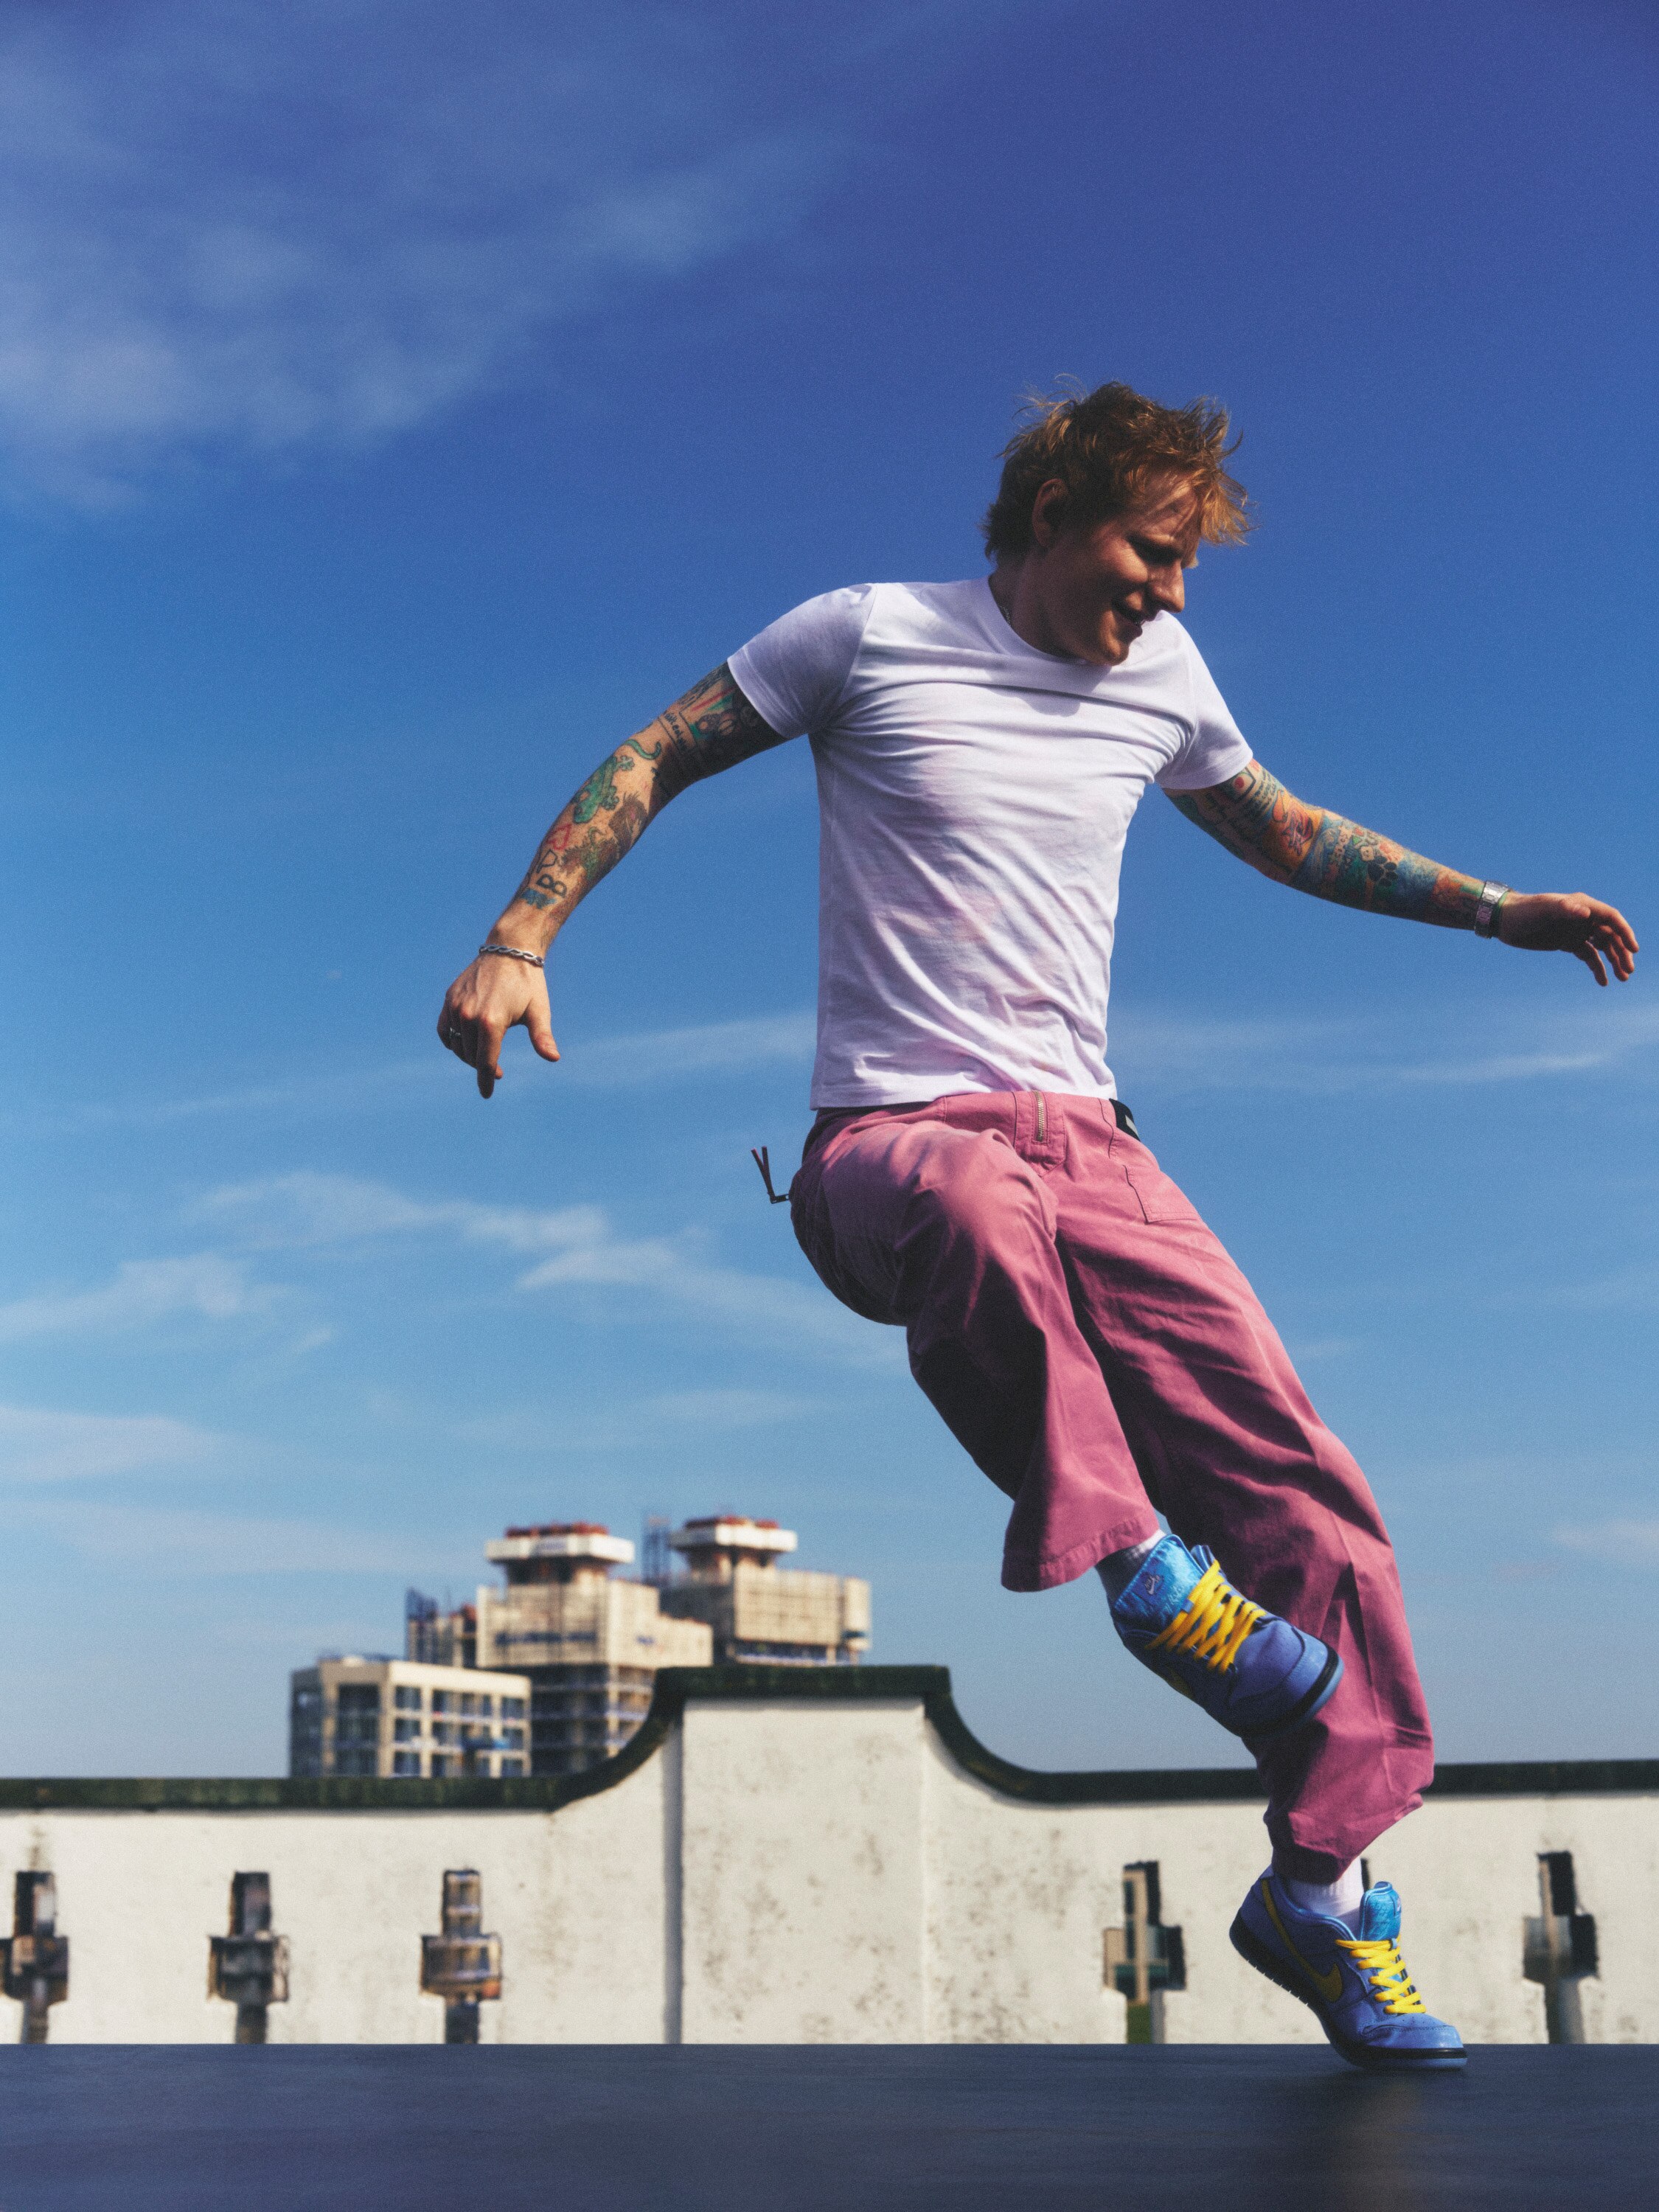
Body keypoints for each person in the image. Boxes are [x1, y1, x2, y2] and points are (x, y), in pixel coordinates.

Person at [437, 383, 1638, 2070]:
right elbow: (658, 752)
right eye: (1152, 553)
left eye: (1189, 568)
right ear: (1053, 509)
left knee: (1311, 1494)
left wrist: (1496, 909)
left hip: (1096, 1147)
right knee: (976, 1201)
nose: (1168, 594)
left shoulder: (1166, 682)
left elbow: (1285, 832)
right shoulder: (865, 636)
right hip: (890, 1148)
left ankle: (1324, 1886)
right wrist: (522, 929)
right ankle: (1150, 1577)